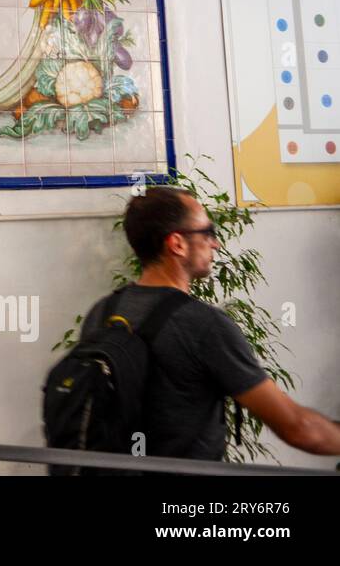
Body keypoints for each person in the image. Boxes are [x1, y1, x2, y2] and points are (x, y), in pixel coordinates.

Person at [77, 185, 340, 463]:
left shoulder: (102, 312)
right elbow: (298, 428)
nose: (215, 243)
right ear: (177, 243)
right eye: (207, 233)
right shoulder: (204, 325)